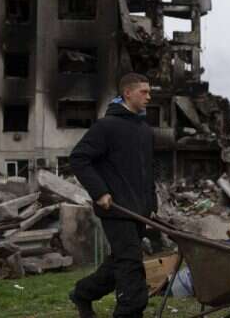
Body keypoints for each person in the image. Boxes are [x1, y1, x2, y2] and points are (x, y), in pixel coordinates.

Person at [68, 73, 156, 318]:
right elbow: (79, 158)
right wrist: (100, 192)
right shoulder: (106, 127)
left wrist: (152, 203)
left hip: (139, 210)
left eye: (149, 92)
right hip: (115, 209)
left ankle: (82, 293)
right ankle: (129, 313)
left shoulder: (145, 131)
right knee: (130, 264)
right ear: (128, 93)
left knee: (119, 262)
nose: (149, 97)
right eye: (144, 92)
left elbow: (149, 171)